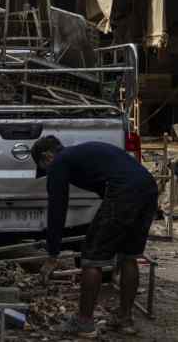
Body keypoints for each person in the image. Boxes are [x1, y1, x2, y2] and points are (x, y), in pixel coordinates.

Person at [32, 136, 158, 337]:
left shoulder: (60, 162)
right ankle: (125, 319)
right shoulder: (82, 155)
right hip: (148, 188)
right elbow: (104, 190)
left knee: (91, 258)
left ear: (47, 156)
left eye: (44, 168)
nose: (48, 173)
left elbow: (57, 208)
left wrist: (52, 255)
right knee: (128, 256)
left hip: (124, 191)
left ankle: (84, 323)